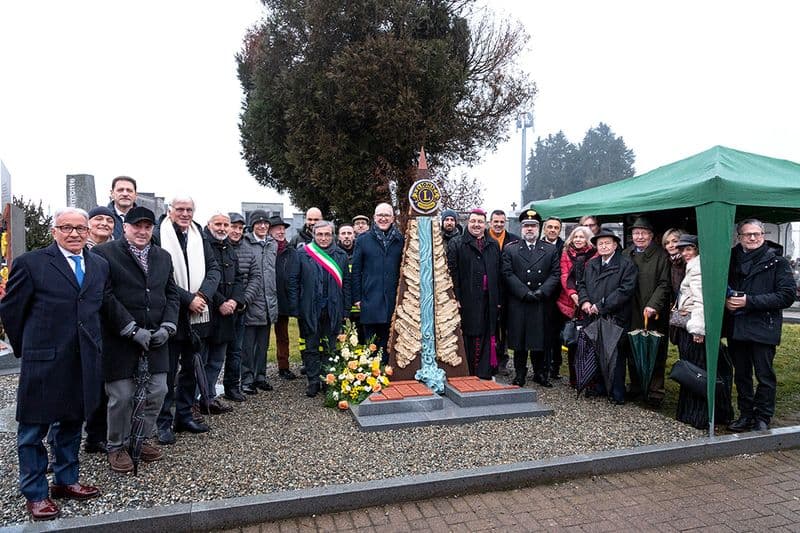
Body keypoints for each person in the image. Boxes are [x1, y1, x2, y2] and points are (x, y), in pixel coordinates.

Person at [0, 207, 107, 520]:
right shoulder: (31, 264)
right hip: (43, 360)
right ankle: (35, 493)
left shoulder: (99, 265)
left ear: (88, 232)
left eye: (80, 228)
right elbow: (11, 311)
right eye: (66, 227)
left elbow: (94, 309)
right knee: (33, 430)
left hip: (83, 360)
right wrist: (28, 349)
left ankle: (66, 480)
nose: (74, 234)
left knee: (72, 424)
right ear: (54, 231)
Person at [93, 206, 180, 472]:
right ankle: (116, 446)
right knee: (121, 395)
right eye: (136, 226)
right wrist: (130, 328)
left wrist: (168, 326)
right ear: (126, 227)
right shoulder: (104, 254)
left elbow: (172, 293)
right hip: (119, 338)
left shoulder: (163, 256)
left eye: (147, 227)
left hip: (156, 337)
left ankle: (140, 437)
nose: (142, 231)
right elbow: (104, 295)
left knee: (158, 391)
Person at [155, 197, 221, 444]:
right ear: (170, 211)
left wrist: (202, 295)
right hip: (171, 314)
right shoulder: (158, 234)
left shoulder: (198, 236)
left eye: (189, 210)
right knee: (167, 372)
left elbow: (214, 268)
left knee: (192, 369)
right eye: (180, 209)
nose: (184, 213)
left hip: (198, 314)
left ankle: (184, 415)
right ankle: (163, 422)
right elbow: (161, 274)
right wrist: (187, 299)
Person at [725, 219, 795, 431]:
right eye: (748, 234)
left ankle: (763, 417)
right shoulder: (730, 259)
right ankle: (746, 414)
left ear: (764, 235)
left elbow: (787, 295)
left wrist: (749, 301)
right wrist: (726, 301)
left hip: (764, 326)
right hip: (737, 326)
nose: (753, 238)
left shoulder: (777, 261)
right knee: (742, 374)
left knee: (764, 375)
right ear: (739, 237)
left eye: (757, 234)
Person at [671, 235, 733, 429]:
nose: (685, 253)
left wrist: (698, 329)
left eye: (689, 249)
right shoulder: (697, 265)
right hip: (694, 323)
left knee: (696, 371)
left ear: (698, 249)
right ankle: (706, 414)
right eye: (683, 250)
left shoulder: (697, 266)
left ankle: (697, 416)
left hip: (694, 327)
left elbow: (702, 300)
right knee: (699, 369)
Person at [578, 227, 638, 404]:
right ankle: (600, 387)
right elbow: (582, 284)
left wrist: (601, 305)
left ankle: (617, 393)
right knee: (596, 353)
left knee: (615, 356)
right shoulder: (592, 264)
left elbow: (625, 291)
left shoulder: (626, 264)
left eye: (607, 243)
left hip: (615, 318)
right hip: (593, 317)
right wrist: (585, 301)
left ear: (615, 245)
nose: (603, 246)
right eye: (600, 243)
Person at [501, 210, 560, 387]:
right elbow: (507, 273)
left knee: (539, 341)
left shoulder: (550, 249)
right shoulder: (511, 249)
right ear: (521, 228)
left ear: (539, 228)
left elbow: (556, 274)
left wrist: (542, 291)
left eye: (533, 226)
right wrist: (524, 292)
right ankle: (519, 374)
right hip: (520, 301)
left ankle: (540, 373)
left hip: (541, 301)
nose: (529, 229)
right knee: (519, 342)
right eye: (526, 226)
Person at [292, 220, 351, 397]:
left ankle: (327, 378)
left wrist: (346, 309)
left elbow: (346, 284)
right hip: (309, 307)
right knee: (311, 346)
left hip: (334, 307)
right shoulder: (302, 253)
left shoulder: (340, 255)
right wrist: (296, 308)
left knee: (330, 346)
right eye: (319, 234)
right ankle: (313, 380)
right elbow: (294, 282)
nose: (323, 238)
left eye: (327, 234)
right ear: (313, 235)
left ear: (332, 235)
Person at [447, 209, 502, 379]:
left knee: (487, 333)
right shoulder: (457, 243)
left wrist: (498, 298)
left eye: (480, 222)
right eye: (473, 221)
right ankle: (469, 371)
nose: (476, 225)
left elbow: (498, 273)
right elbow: (451, 272)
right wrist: (455, 296)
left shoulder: (492, 244)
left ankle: (484, 371)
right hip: (467, 299)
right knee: (470, 334)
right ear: (467, 223)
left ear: (485, 224)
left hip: (488, 299)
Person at [622, 217, 671, 406]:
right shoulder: (626, 254)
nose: (639, 236)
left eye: (643, 233)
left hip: (652, 311)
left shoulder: (661, 256)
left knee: (655, 350)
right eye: (636, 233)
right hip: (630, 310)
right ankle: (636, 387)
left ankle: (655, 392)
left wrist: (653, 305)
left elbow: (664, 284)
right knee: (633, 349)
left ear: (651, 236)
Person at [201, 213, 245, 414]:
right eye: (217, 224)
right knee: (202, 359)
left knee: (218, 358)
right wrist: (220, 301)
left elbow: (238, 277)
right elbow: (203, 277)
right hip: (208, 309)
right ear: (209, 224)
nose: (222, 228)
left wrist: (235, 300)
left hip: (228, 311)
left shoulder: (228, 247)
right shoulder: (201, 245)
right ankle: (195, 398)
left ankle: (209, 397)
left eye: (225, 224)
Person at [82, 205, 117, 454]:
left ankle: (96, 436)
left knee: (104, 384)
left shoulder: (118, 249)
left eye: (109, 219)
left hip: (112, 324)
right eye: (98, 219)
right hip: (84, 325)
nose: (104, 223)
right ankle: (59, 444)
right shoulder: (78, 249)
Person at [351, 203, 404, 362]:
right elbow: (356, 271)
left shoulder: (400, 240)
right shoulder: (363, 240)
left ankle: (390, 380)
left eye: (387, 215)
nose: (383, 218)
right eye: (380, 215)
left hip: (393, 301)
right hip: (370, 300)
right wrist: (357, 298)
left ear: (393, 219)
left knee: (389, 345)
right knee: (372, 347)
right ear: (374, 217)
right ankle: (373, 381)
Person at [237, 210, 279, 394]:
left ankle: (260, 376)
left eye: (265, 223)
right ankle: (246, 378)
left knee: (263, 344)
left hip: (269, 301)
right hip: (251, 300)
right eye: (258, 223)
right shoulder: (244, 243)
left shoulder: (273, 244)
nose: (263, 226)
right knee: (247, 345)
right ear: (252, 225)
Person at [222, 212, 261, 401]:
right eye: (233, 227)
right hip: (219, 307)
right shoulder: (215, 247)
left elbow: (255, 277)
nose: (236, 231)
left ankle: (232, 386)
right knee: (214, 354)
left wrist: (243, 300)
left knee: (236, 351)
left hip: (239, 308)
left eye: (239, 228)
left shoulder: (248, 250)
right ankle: (206, 392)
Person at [556, 225, 597, 387]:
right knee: (573, 341)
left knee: (589, 342)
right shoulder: (566, 253)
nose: (578, 240)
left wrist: (585, 298)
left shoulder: (595, 254)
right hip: (570, 303)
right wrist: (573, 294)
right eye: (575, 237)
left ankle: (589, 377)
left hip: (589, 302)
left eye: (582, 237)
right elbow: (564, 274)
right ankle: (574, 379)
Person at [269, 215, 299, 380]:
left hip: (283, 298)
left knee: (283, 336)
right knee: (260, 337)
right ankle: (256, 371)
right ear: (270, 230)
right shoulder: (264, 247)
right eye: (277, 228)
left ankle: (283, 367)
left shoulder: (291, 250)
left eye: (282, 228)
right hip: (264, 299)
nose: (281, 231)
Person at [541, 216, 565, 379]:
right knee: (542, 332)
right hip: (541, 295)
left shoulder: (565, 247)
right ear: (544, 229)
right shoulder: (537, 245)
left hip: (559, 297)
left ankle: (555, 366)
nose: (552, 230)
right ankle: (543, 365)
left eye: (556, 227)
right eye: (550, 227)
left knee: (557, 334)